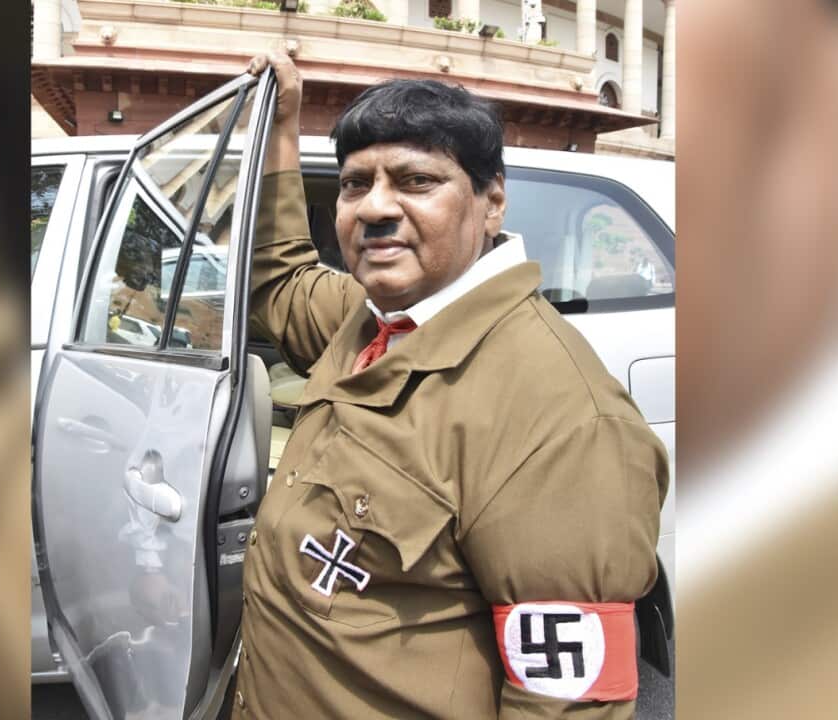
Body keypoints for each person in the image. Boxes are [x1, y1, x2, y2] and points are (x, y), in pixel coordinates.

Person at [234, 51, 668, 719]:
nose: (375, 207)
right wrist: (283, 127)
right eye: (354, 185)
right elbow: (280, 279)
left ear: (491, 202)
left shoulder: (562, 420)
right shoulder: (367, 321)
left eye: (416, 180)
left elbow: (564, 703)